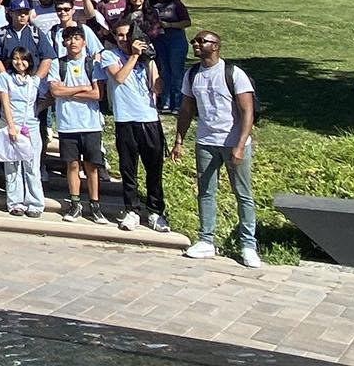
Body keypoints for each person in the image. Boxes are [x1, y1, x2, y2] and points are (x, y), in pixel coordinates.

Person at [173, 30, 260, 268]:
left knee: (243, 194)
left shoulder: (233, 74)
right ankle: (206, 240)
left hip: (233, 142)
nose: (196, 45)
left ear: (216, 46)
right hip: (205, 142)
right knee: (206, 192)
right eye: (195, 41)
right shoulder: (192, 75)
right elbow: (186, 110)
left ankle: (248, 245)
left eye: (202, 41)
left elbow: (247, 111)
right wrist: (179, 140)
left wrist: (240, 145)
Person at [102, 21, 169, 233]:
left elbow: (156, 87)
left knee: (154, 168)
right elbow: (119, 77)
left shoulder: (144, 58)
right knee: (128, 169)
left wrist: (149, 60)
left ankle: (155, 211)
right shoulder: (110, 56)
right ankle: (131, 209)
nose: (123, 39)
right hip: (126, 120)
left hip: (149, 118)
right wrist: (133, 56)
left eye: (127, 36)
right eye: (120, 35)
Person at [50, 27, 106, 224]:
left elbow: (97, 94)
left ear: (84, 42)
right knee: (72, 164)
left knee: (91, 166)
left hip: (91, 123)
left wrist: (68, 91)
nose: (72, 42)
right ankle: (75, 203)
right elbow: (55, 92)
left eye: (77, 38)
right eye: (68, 39)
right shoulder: (57, 64)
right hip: (67, 124)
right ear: (63, 42)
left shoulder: (93, 64)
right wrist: (83, 87)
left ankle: (95, 204)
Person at [0, 47, 44, 218]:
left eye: (23, 59)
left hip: (30, 126)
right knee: (12, 166)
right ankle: (15, 202)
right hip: (10, 125)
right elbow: (5, 103)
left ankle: (35, 203)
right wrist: (10, 126)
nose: (19, 62)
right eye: (15, 58)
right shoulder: (5, 78)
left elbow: (46, 97)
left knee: (32, 165)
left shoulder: (34, 80)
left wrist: (38, 111)